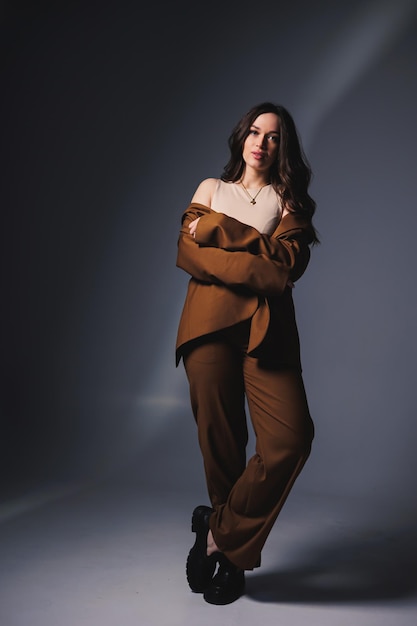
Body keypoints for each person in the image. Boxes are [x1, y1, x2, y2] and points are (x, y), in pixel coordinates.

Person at [175, 101, 319, 605]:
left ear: (284, 147)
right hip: (207, 326)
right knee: (223, 443)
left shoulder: (291, 202)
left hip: (267, 333)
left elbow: (283, 272)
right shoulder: (210, 190)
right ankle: (230, 560)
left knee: (290, 439)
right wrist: (253, 249)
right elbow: (186, 253)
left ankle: (218, 532)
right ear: (241, 137)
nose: (261, 143)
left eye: (274, 137)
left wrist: (217, 233)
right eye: (255, 132)